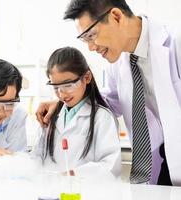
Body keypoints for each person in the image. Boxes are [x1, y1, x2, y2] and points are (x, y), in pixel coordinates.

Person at [36, 0, 181, 186]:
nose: (91, 47)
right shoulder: (119, 64)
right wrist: (63, 102)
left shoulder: (176, 42)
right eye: (84, 40)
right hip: (165, 165)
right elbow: (107, 102)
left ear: (116, 17)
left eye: (91, 35)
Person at [32, 47, 121, 177]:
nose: (62, 94)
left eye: (68, 85)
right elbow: (37, 156)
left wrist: (72, 175)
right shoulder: (50, 117)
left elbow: (110, 166)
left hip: (83, 192)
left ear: (87, 77)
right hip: (50, 192)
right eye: (56, 87)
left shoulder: (102, 117)